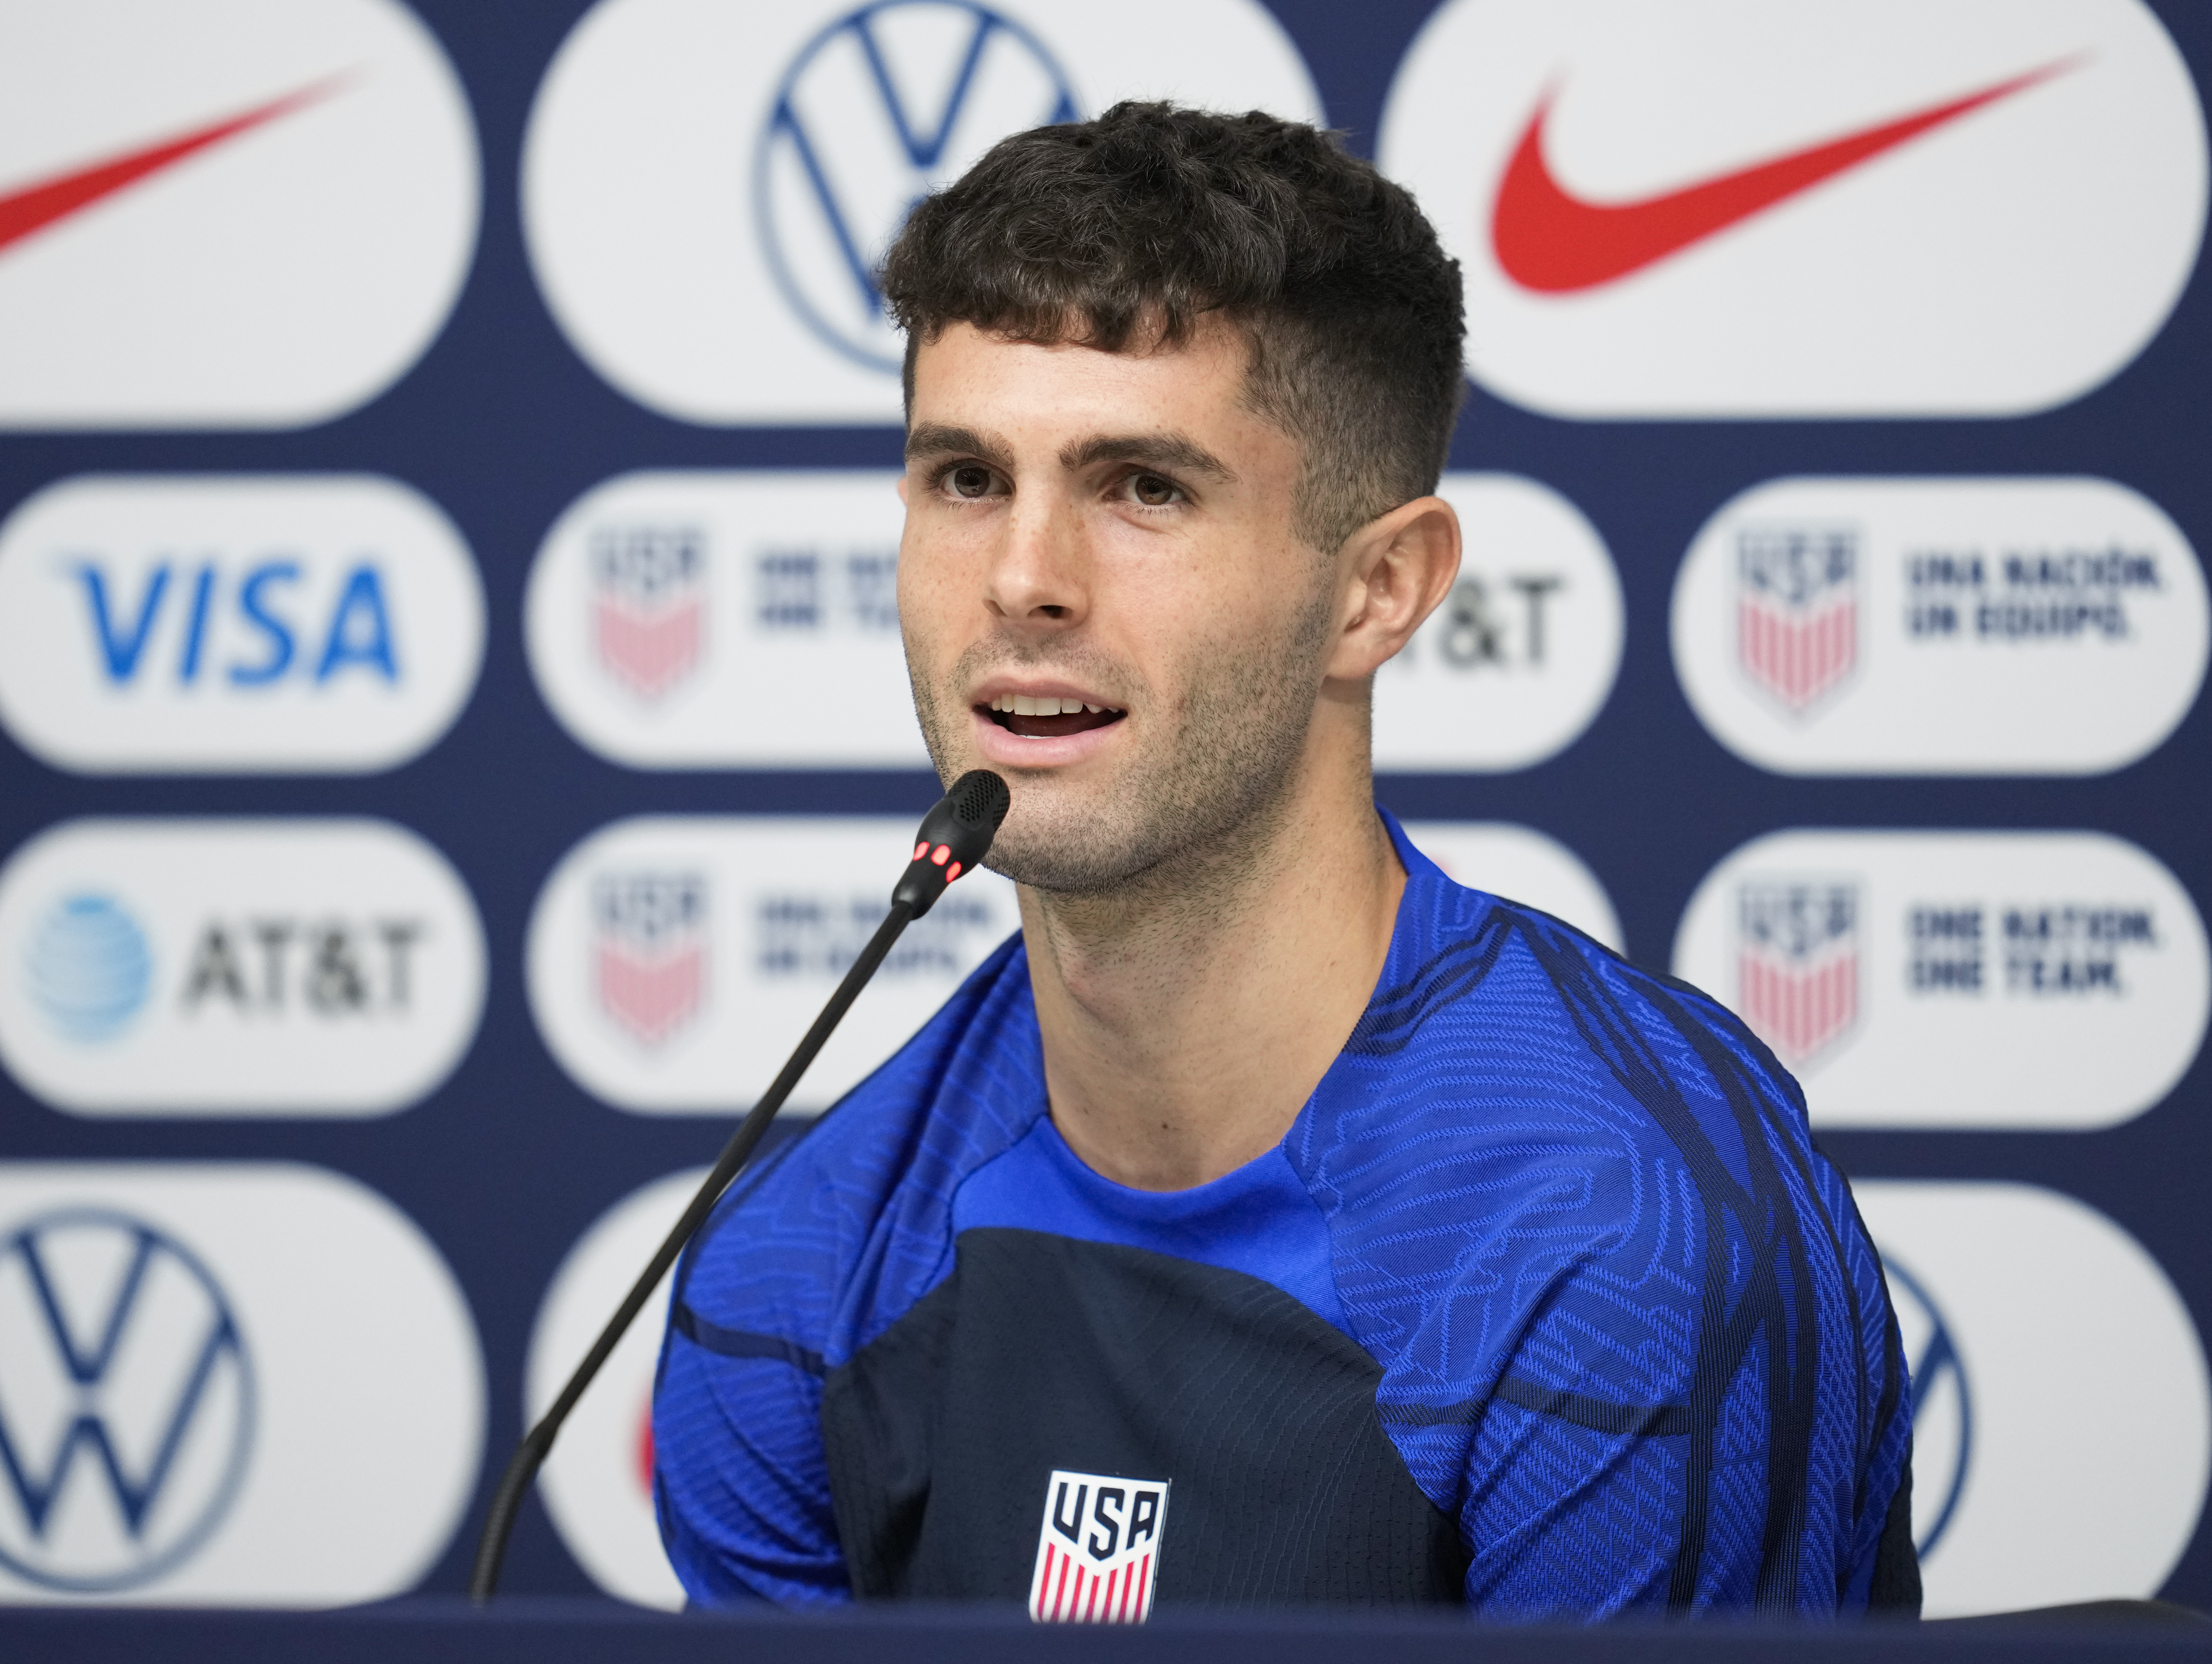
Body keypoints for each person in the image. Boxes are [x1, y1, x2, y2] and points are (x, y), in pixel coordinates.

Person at [653, 101, 1915, 1620]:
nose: (1022, 580)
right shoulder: (795, 1270)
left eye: (1144, 487)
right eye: (965, 478)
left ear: (1379, 589)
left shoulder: (1619, 1237)